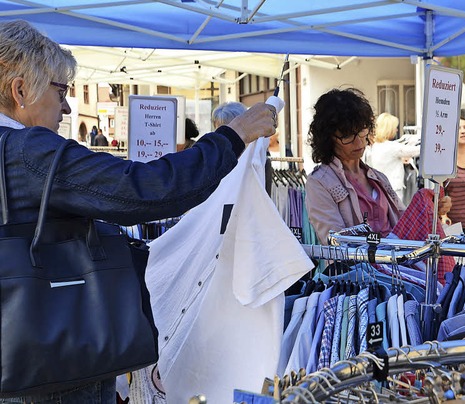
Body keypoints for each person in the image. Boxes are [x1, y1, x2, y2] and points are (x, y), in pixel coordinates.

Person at [0, 19, 277, 403]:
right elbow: (143, 189)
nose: (65, 107)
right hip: (51, 370)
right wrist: (234, 136)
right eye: (60, 91)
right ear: (20, 90)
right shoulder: (29, 151)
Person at [305, 88, 453, 282]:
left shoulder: (378, 178)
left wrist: (432, 210)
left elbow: (403, 223)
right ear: (328, 138)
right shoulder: (320, 183)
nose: (359, 141)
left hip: (400, 276)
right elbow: (335, 243)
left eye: (362, 131)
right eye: (347, 136)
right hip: (358, 281)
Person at [367, 112, 421, 199]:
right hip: (393, 189)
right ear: (389, 129)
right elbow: (415, 151)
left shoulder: (377, 146)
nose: (396, 130)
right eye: (395, 127)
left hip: (381, 188)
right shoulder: (391, 147)